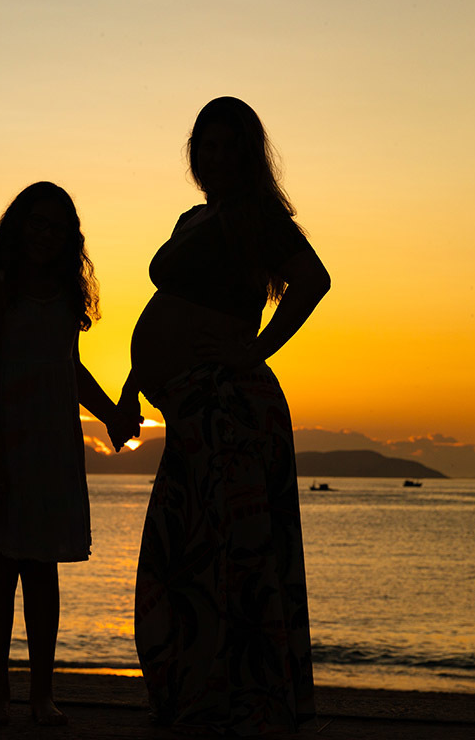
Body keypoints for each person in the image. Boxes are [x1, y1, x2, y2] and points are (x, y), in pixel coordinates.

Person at [112, 96, 329, 735]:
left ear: (250, 155)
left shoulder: (258, 214)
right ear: (195, 153)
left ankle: (242, 703)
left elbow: (312, 281)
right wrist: (130, 390)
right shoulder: (193, 218)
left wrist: (254, 349)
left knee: (234, 561)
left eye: (232, 146)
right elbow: (169, 307)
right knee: (186, 557)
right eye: (208, 145)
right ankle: (198, 696)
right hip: (189, 413)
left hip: (229, 409)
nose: (218, 156)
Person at [0, 181, 129, 726]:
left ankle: (42, 695)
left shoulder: (66, 292)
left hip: (49, 442)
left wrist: (112, 415)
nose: (44, 235)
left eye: (56, 226)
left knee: (43, 568)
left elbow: (68, 368)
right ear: (17, 227)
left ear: (69, 236)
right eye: (36, 223)